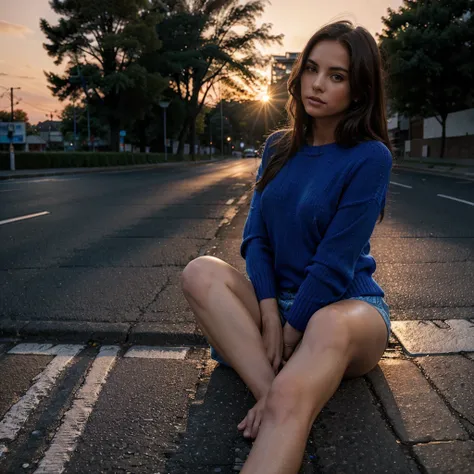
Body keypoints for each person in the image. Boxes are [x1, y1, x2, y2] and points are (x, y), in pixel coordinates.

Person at [181, 20, 392, 474]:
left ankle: (280, 397)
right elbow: (256, 239)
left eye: (337, 76)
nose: (317, 85)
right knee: (200, 270)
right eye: (312, 69)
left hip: (345, 307)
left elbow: (336, 264)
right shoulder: (277, 146)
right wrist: (271, 313)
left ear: (359, 90)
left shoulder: (370, 157)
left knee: (328, 330)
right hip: (277, 305)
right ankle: (270, 392)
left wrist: (292, 329)